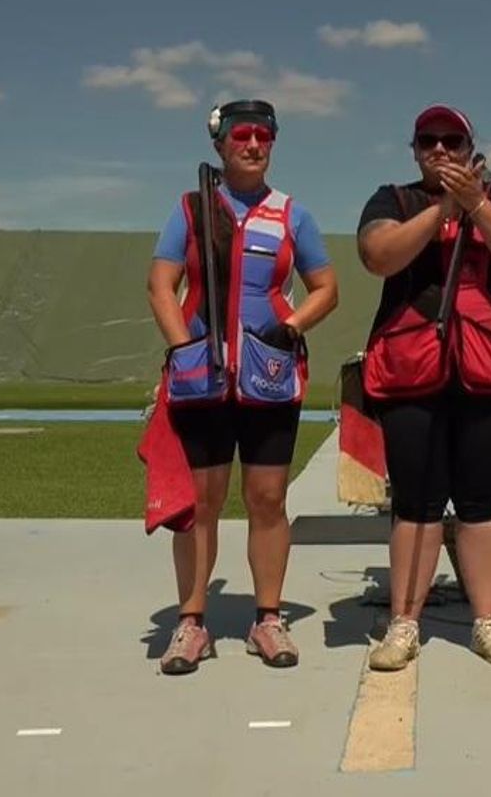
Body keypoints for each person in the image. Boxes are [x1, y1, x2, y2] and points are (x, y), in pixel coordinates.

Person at [146, 99, 339, 673]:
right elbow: (162, 285)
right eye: (241, 135)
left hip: (270, 380)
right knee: (200, 505)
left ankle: (269, 619)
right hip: (201, 380)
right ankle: (190, 624)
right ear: (220, 144)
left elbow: (325, 287)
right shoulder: (190, 209)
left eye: (263, 136)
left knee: (268, 500)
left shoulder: (292, 216)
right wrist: (185, 348)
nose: (253, 145)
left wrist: (291, 328)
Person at [355, 104, 491, 671]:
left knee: (483, 503)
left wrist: (477, 204)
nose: (440, 150)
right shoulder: (394, 199)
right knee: (416, 504)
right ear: (414, 150)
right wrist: (442, 210)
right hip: (412, 369)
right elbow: (378, 255)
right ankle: (405, 623)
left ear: (468, 147)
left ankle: (487, 620)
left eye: (452, 141)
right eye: (429, 141)